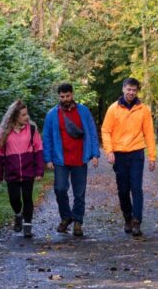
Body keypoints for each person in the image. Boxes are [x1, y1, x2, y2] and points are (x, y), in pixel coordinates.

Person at [42, 83, 100, 237]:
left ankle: (78, 222)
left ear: (72, 94)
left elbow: (92, 132)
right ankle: (66, 216)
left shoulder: (84, 111)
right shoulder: (52, 115)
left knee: (79, 193)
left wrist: (95, 154)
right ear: (59, 96)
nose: (65, 99)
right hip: (60, 159)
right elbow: (46, 137)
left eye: (67, 96)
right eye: (62, 96)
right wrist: (47, 158)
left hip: (80, 158)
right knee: (60, 189)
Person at [101, 77, 156, 237]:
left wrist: (152, 156)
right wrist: (109, 151)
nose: (131, 92)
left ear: (137, 91)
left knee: (136, 188)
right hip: (119, 154)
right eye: (128, 89)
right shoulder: (113, 109)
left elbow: (149, 133)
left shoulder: (143, 109)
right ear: (123, 89)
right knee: (123, 190)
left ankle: (137, 221)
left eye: (134, 90)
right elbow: (105, 130)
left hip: (137, 152)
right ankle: (127, 217)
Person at [0, 100, 44, 238]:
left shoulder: (32, 128)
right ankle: (18, 214)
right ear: (15, 116)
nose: (27, 117)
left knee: (27, 197)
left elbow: (38, 149)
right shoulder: (4, 132)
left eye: (27, 114)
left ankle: (27, 225)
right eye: (23, 115)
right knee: (14, 199)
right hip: (12, 172)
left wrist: (39, 170)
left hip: (28, 170)